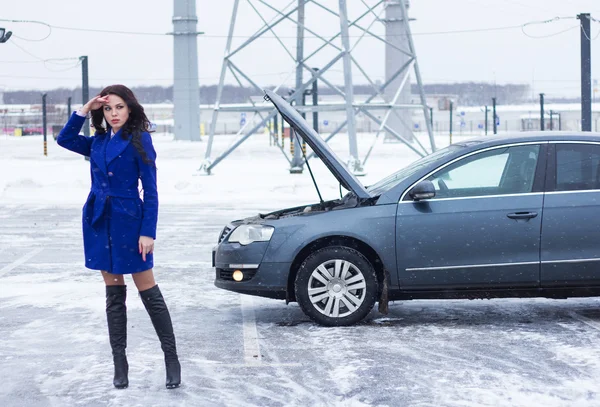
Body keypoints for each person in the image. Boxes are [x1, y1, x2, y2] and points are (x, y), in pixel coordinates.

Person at [57, 85, 181, 390]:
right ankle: (120, 365)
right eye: (108, 108)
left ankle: (172, 359)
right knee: (114, 296)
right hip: (99, 221)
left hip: (129, 221)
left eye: (120, 107)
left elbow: (151, 192)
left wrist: (147, 232)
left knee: (148, 291)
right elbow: (65, 139)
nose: (114, 114)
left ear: (130, 109)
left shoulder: (140, 140)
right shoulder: (97, 142)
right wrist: (84, 109)